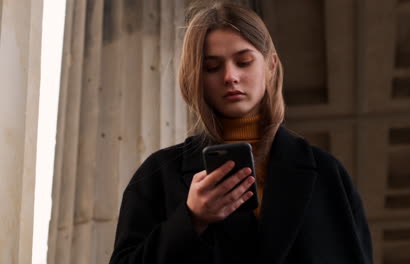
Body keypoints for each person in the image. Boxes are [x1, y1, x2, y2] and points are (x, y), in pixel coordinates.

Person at [109, 2, 373, 264]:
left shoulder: (327, 174)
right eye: (212, 67)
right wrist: (191, 219)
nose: (230, 76)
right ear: (197, 77)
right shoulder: (159, 175)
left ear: (270, 66)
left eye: (244, 62)